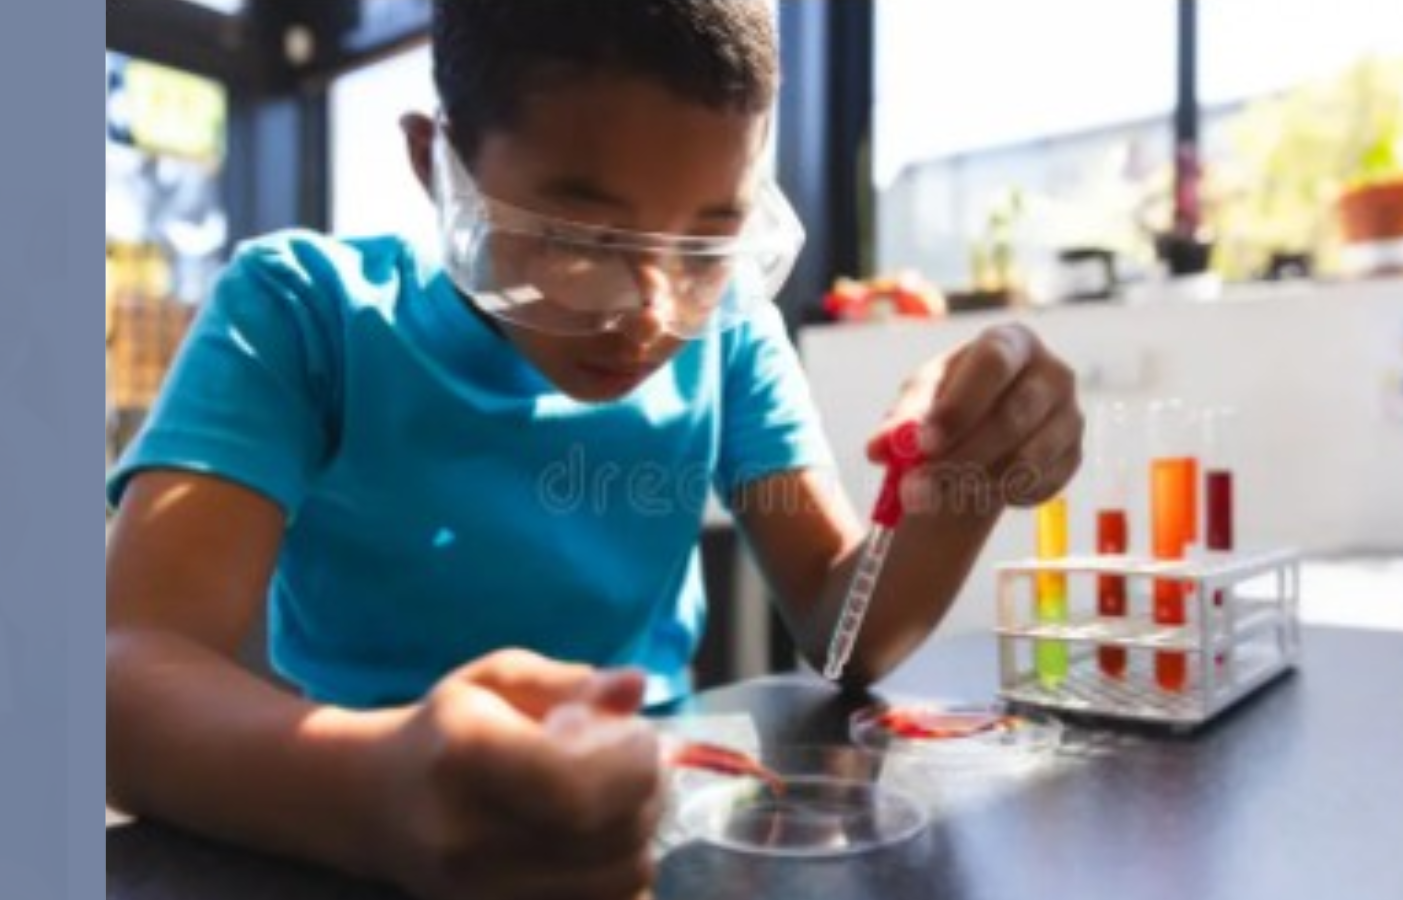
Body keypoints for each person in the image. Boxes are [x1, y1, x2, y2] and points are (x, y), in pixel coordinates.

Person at [105, 2, 1084, 897]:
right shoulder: (307, 313)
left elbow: (845, 628)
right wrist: (373, 788)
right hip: (349, 828)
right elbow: (121, 667)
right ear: (435, 163)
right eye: (579, 240)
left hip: (658, 819)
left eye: (708, 246)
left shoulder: (728, 333)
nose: (651, 316)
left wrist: (960, 477)